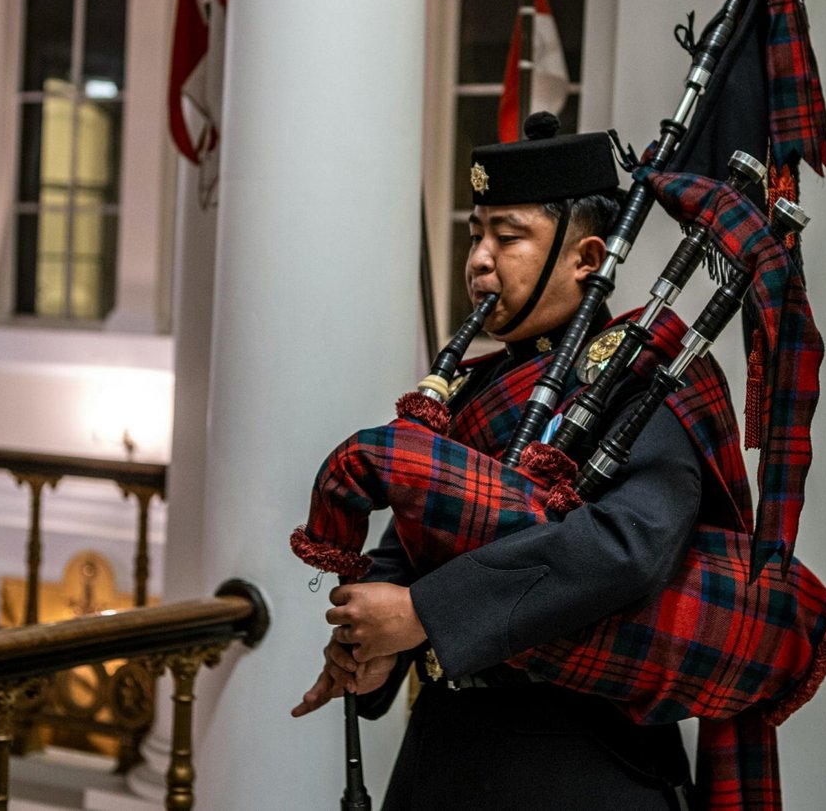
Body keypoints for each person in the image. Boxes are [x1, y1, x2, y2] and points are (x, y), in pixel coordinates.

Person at [293, 118, 715, 810]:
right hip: (441, 759)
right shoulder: (469, 391)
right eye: (474, 234)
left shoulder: (643, 378)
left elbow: (627, 547)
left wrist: (422, 613)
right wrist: (376, 652)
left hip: (580, 767)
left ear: (587, 257)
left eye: (508, 237)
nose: (479, 261)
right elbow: (412, 544)